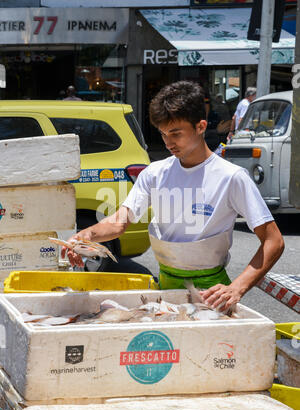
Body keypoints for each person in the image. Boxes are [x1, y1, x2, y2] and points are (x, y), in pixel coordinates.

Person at [62, 80, 284, 312]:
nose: (168, 142)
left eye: (176, 133)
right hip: (165, 289)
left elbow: (274, 241)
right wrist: (85, 235)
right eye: (163, 134)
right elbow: (119, 223)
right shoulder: (155, 173)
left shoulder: (231, 177)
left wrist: (238, 287)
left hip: (212, 294)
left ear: (200, 126)